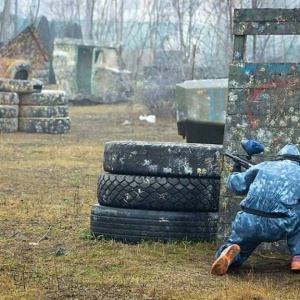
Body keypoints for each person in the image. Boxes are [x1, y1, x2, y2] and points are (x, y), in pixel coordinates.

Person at [211, 142, 300, 276]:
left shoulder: (264, 166)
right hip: (278, 225)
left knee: (240, 248)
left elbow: (237, 186)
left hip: (248, 221)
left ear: (279, 157)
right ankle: (298, 258)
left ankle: (228, 256)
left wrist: (236, 168)